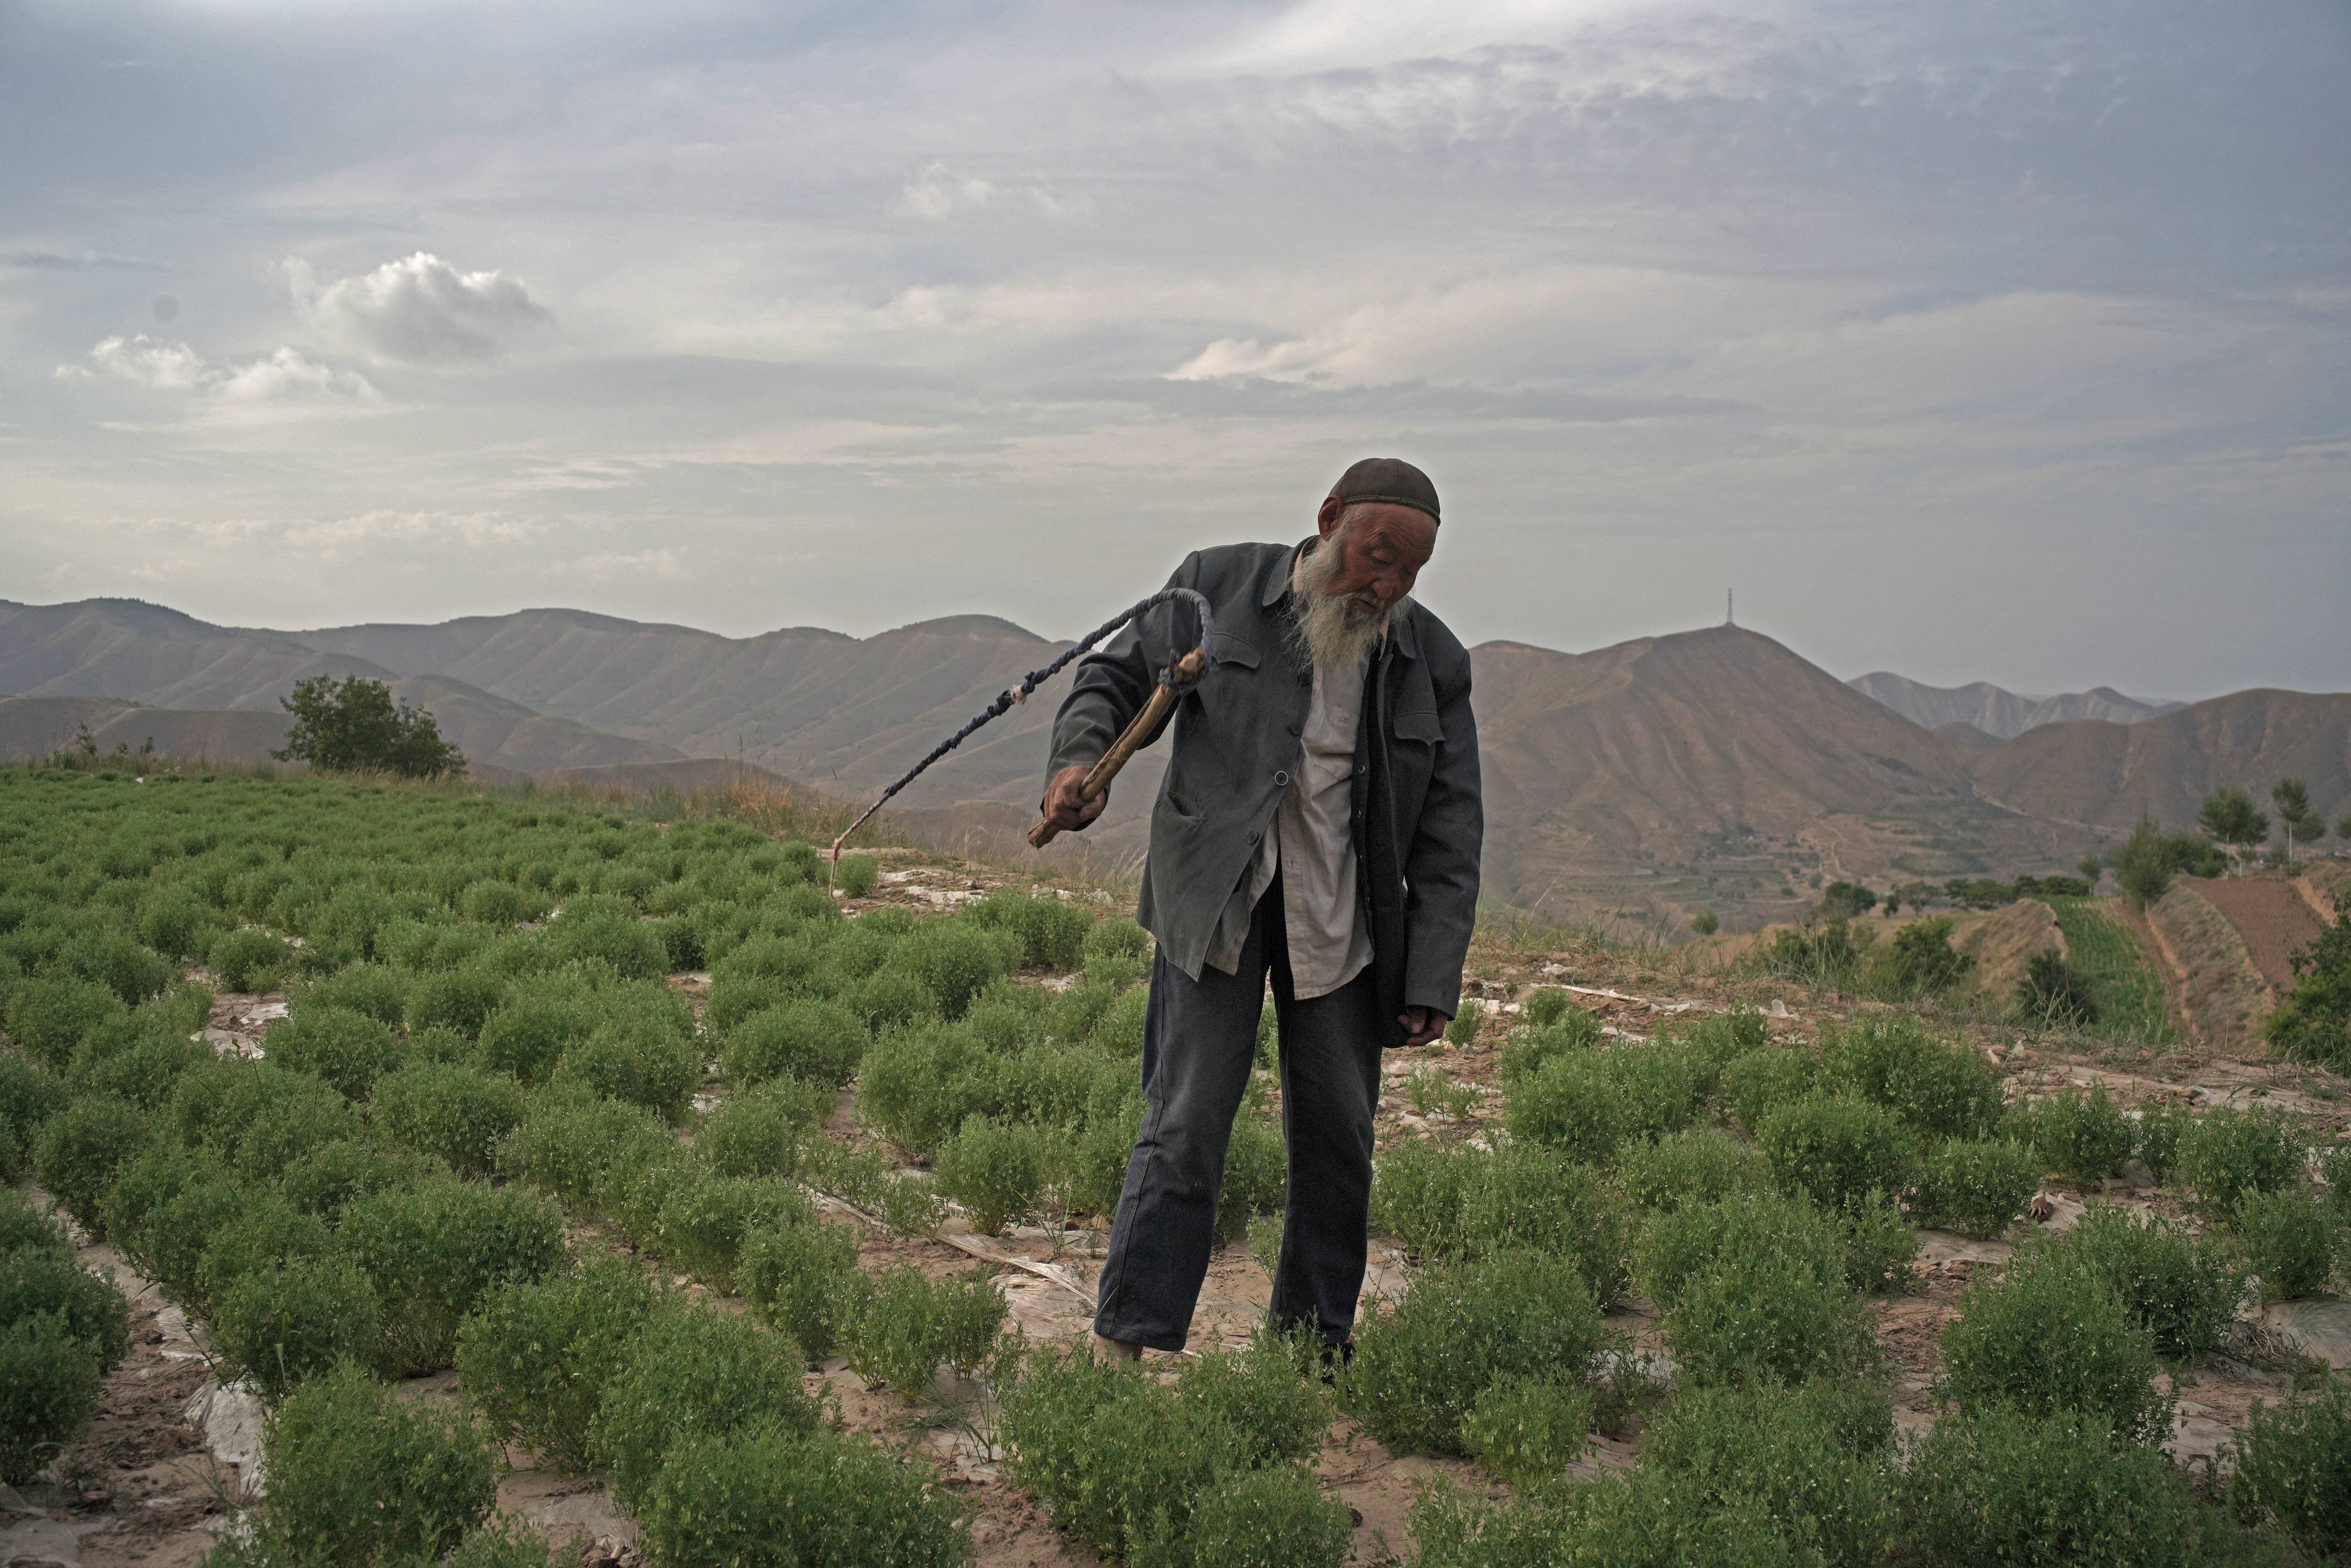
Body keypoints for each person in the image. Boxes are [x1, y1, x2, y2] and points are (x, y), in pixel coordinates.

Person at [1039, 456, 1483, 1359]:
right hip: (1218, 903)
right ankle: (1131, 1338)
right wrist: (1076, 764)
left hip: (1345, 923)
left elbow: (1451, 826)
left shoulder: (1431, 658)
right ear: (1328, 520)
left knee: (1339, 1143)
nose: (1386, 585)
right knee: (1187, 1120)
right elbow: (1113, 681)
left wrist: (1434, 969)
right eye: (1377, 557)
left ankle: (1309, 1357)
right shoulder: (1215, 585)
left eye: (1409, 573)